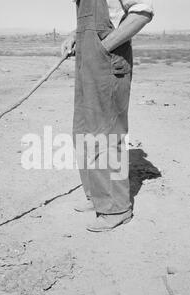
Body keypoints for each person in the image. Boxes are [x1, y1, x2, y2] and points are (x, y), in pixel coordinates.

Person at [61, 0, 154, 232]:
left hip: (107, 61)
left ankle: (117, 208)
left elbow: (142, 12)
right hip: (87, 63)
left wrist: (104, 46)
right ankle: (98, 197)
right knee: (84, 129)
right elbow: (105, 19)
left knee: (107, 134)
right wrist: (76, 36)